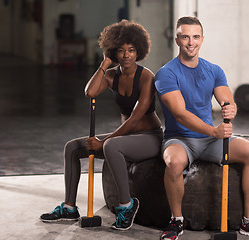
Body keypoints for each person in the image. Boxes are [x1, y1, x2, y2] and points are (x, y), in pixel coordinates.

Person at [154, 16, 249, 240]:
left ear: (202, 39)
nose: (191, 43)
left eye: (195, 37)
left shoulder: (214, 70)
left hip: (210, 140)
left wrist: (230, 108)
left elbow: (226, 99)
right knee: (173, 163)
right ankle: (176, 220)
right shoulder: (166, 73)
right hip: (180, 139)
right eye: (185, 37)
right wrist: (213, 131)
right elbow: (180, 114)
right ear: (177, 40)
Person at [40, 19, 163, 231]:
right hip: (126, 138)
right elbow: (90, 92)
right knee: (72, 147)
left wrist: (104, 140)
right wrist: (104, 65)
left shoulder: (146, 77)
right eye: (121, 50)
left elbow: (134, 119)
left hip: (149, 137)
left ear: (139, 51)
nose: (126, 55)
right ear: (113, 51)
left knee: (110, 146)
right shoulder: (111, 75)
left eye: (131, 50)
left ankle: (126, 205)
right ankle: (69, 208)